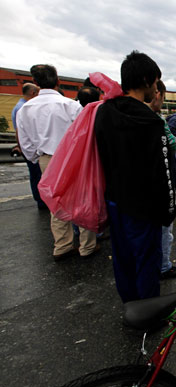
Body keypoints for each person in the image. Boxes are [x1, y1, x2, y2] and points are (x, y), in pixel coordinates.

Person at [95, 51, 176, 303]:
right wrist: (170, 209)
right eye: (155, 82)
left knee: (123, 258)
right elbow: (163, 172)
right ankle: (149, 315)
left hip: (116, 201)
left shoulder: (103, 113)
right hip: (144, 208)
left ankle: (130, 306)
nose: (156, 88)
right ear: (144, 80)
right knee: (146, 261)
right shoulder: (150, 121)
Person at [16, 64, 98, 261]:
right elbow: (86, 134)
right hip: (73, 157)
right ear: (58, 81)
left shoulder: (25, 109)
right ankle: (87, 246)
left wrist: (36, 157)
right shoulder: (70, 106)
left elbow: (25, 142)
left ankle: (62, 245)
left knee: (56, 201)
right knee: (82, 199)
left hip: (47, 158)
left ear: (35, 83)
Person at [148, 79, 176, 280]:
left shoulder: (115, 115)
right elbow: (175, 147)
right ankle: (163, 266)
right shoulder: (156, 121)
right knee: (164, 230)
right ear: (157, 94)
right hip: (159, 187)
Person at [10, 82, 46, 210]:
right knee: (37, 175)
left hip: (28, 147)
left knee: (36, 175)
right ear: (32, 93)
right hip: (31, 148)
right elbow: (20, 132)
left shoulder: (20, 106)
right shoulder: (24, 108)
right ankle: (41, 201)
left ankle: (41, 199)